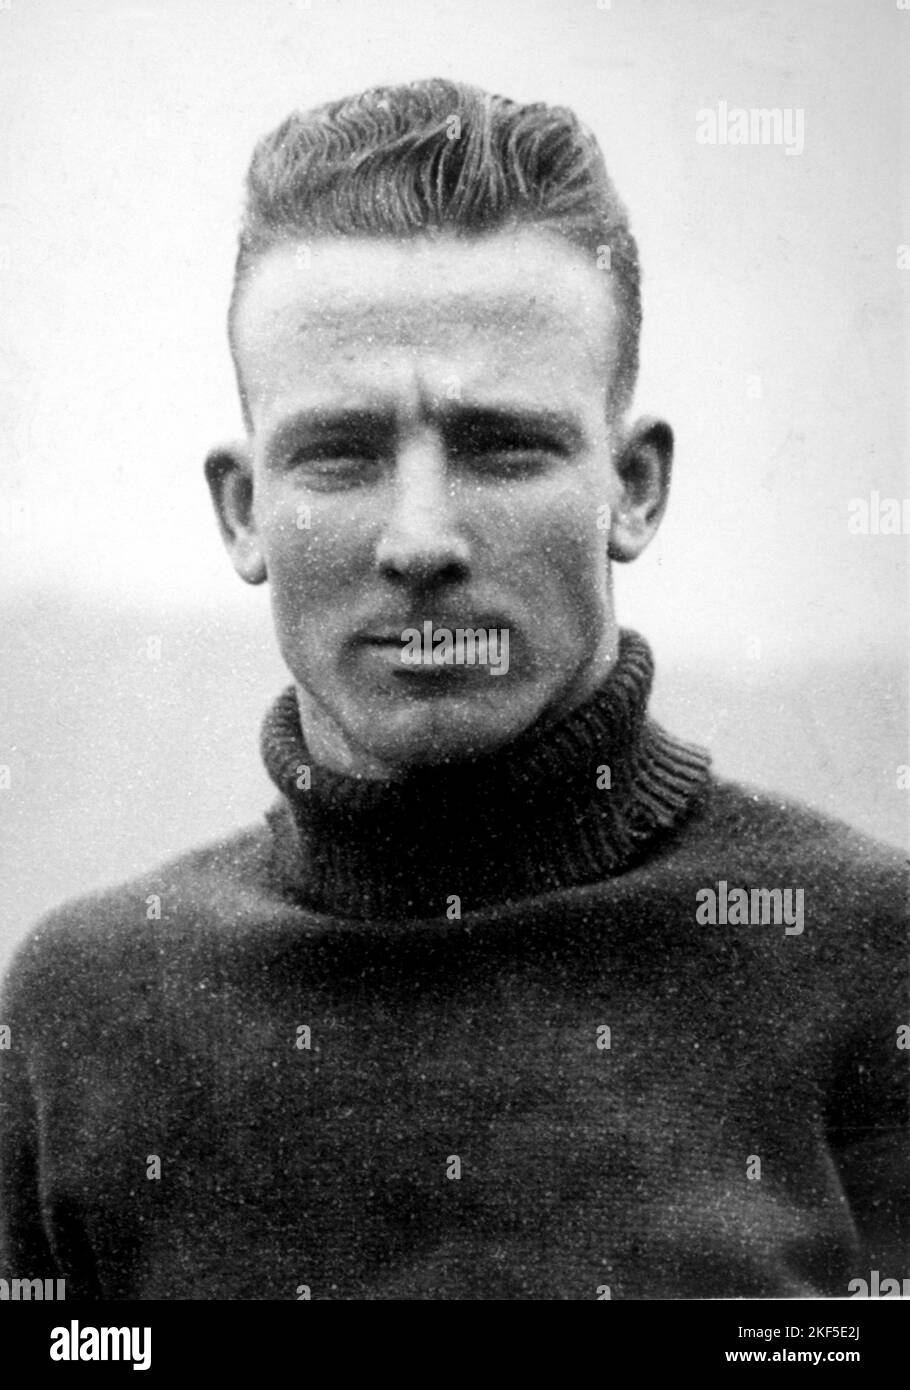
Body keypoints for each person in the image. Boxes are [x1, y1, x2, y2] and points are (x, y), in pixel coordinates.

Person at [0, 79, 905, 1301]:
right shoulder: (82, 1018)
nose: (420, 538)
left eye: (501, 447)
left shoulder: (864, 956)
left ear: (632, 488)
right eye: (340, 453)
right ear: (242, 508)